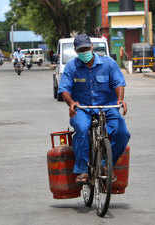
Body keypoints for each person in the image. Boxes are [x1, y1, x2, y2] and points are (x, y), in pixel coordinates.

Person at [58, 34, 131, 183]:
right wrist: (71, 102)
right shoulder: (71, 66)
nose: (84, 52)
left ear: (92, 47)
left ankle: (106, 164)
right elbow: (64, 88)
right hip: (82, 108)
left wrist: (120, 100)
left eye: (86, 48)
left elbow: (119, 82)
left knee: (122, 133)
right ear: (76, 51)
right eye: (81, 50)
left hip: (107, 106)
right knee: (82, 129)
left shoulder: (109, 63)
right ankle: (82, 170)